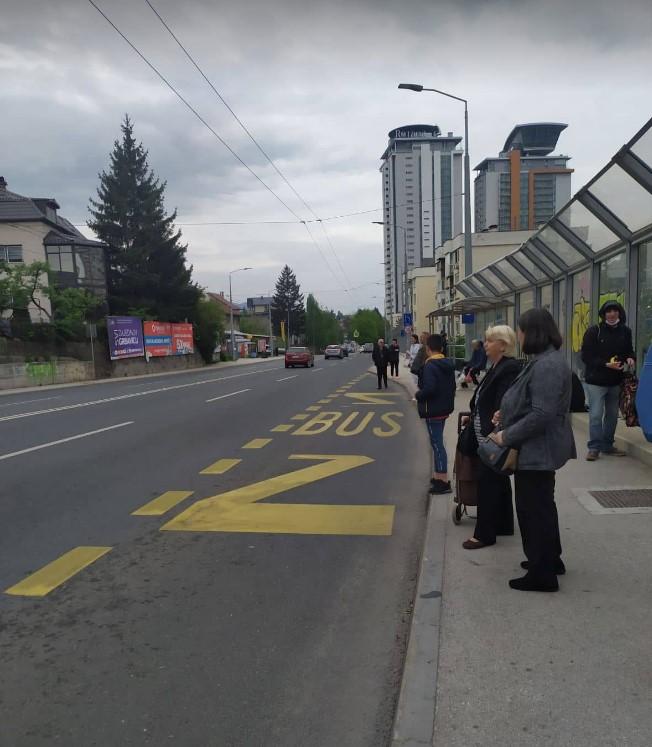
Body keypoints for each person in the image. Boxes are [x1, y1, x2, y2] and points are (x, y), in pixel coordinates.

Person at [491, 309, 576, 592]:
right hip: (537, 448)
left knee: (532, 510)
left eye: (522, 331)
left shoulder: (547, 365)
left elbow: (541, 414)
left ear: (534, 332)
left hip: (538, 450)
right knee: (542, 507)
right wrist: (505, 413)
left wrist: (507, 434)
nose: (520, 336)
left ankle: (542, 574)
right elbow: (528, 401)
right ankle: (550, 560)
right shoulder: (543, 361)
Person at [460, 326, 521, 550]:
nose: (485, 344)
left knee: (487, 482)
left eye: (490, 341)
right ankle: (503, 524)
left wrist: (495, 430)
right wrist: (473, 415)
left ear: (503, 345)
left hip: (493, 434)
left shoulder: (509, 368)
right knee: (499, 480)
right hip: (485, 430)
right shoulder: (496, 366)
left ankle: (484, 534)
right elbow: (483, 397)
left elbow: (503, 403)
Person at [581, 300, 635, 461]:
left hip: (615, 381)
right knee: (596, 415)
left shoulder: (625, 331)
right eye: (608, 311)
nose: (611, 314)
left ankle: (607, 445)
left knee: (612, 415)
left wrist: (631, 358)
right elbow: (586, 356)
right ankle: (594, 448)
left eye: (614, 311)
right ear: (603, 314)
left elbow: (629, 351)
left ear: (619, 313)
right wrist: (605, 364)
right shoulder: (594, 331)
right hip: (596, 381)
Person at [415, 334, 456, 494]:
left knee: (437, 445)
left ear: (428, 349)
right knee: (438, 443)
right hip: (444, 408)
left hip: (433, 410)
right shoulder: (446, 364)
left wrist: (418, 395)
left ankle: (442, 481)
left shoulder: (430, 366)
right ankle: (439, 476)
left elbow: (430, 389)